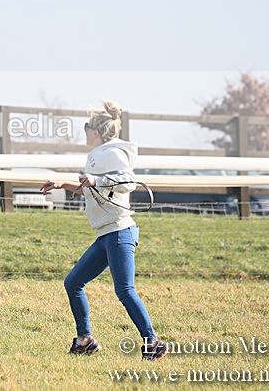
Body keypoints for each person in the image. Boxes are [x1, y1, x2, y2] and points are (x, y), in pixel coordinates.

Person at [40, 101, 168, 361]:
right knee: (73, 282)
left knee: (125, 290)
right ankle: (85, 340)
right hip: (106, 235)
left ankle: (153, 342)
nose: (84, 132)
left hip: (119, 232)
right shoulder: (97, 154)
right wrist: (62, 183)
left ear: (96, 131)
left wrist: (96, 179)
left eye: (86, 128)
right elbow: (91, 189)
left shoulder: (112, 152)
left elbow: (128, 182)